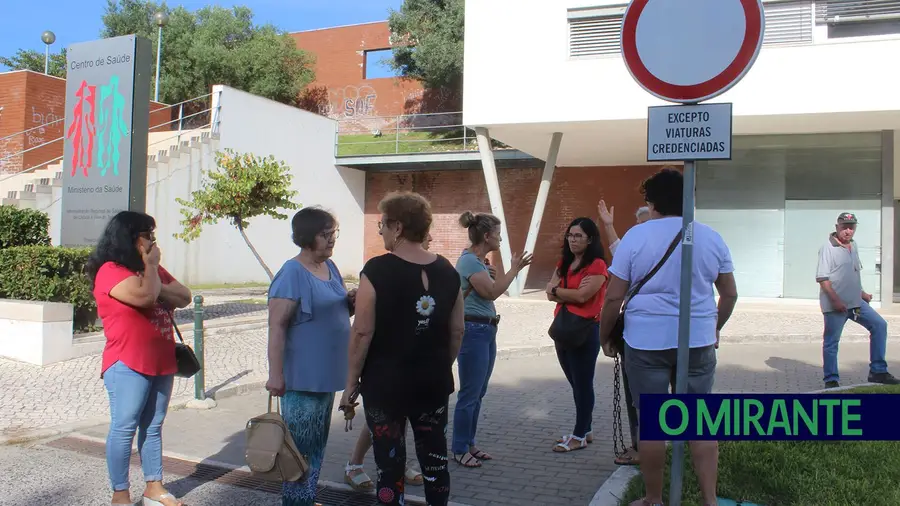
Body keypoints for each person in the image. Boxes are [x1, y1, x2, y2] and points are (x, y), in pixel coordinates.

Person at [598, 168, 738, 506]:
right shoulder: (710, 236)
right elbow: (730, 293)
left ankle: (653, 499)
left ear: (651, 202)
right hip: (698, 341)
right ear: (689, 199)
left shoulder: (636, 236)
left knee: (653, 425)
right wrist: (714, 326)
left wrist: (605, 335)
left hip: (645, 343)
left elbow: (614, 296)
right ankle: (709, 500)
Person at [341, 191, 464, 506]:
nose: (380, 230)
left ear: (397, 227)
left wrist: (352, 381)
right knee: (435, 460)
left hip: (385, 385)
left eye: (382, 224)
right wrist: (439, 364)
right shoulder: (448, 271)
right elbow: (457, 329)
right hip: (433, 383)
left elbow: (362, 330)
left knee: (389, 464)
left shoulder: (378, 270)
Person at [85, 211, 193, 506]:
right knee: (125, 426)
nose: (153, 240)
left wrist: (155, 281)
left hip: (161, 359)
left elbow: (185, 297)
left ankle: (154, 488)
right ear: (129, 236)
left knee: (154, 425)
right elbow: (145, 297)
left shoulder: (150, 270)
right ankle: (120, 494)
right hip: (127, 361)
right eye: (147, 234)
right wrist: (153, 273)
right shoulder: (111, 270)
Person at [266, 207, 354, 506]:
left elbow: (332, 309)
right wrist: (275, 374)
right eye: (325, 235)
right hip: (302, 378)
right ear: (306, 237)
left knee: (316, 446)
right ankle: (296, 501)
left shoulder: (330, 268)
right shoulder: (291, 272)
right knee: (299, 451)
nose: (331, 241)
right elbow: (276, 327)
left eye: (333, 234)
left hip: (327, 376)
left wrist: (350, 302)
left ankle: (306, 497)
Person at [343, 233, 439, 491]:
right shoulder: (381, 268)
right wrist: (352, 380)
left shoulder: (433, 270)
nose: (430, 237)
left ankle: (400, 461)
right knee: (379, 420)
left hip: (412, 366)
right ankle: (354, 463)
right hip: (385, 365)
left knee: (401, 418)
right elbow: (362, 328)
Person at [451, 211, 532, 468]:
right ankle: (460, 448)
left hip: (485, 330)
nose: (499, 239)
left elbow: (488, 290)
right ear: (486, 236)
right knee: (470, 393)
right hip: (474, 331)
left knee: (479, 392)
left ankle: (469, 443)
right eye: (497, 234)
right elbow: (493, 292)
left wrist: (492, 273)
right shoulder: (469, 262)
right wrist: (515, 268)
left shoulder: (478, 262)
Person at [546, 218, 608, 452]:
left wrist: (558, 291)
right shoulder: (565, 262)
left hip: (584, 330)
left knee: (582, 384)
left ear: (590, 239)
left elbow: (583, 296)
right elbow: (548, 292)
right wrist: (563, 292)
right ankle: (586, 429)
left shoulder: (597, 265)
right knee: (575, 383)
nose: (573, 240)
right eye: (570, 235)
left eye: (578, 235)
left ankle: (579, 435)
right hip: (563, 328)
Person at [816, 212, 899, 388]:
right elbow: (823, 279)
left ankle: (878, 371)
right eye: (844, 227)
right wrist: (836, 301)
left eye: (851, 227)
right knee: (831, 342)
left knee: (879, 325)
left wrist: (862, 294)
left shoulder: (853, 246)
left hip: (856, 303)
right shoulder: (827, 248)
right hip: (835, 306)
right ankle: (831, 380)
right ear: (837, 227)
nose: (848, 231)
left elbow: (851, 275)